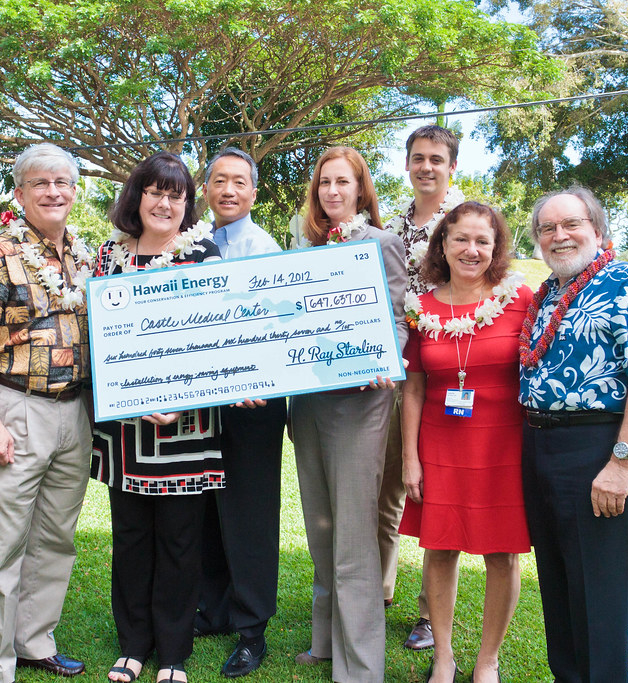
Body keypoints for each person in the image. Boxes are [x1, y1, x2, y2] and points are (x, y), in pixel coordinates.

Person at [520, 187, 628, 683]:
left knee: (599, 592)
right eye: (548, 229)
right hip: (541, 446)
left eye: (571, 225)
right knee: (561, 584)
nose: (559, 236)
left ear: (598, 229)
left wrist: (623, 460)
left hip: (600, 448)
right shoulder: (550, 292)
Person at [0, 142, 91, 683]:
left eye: (62, 182)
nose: (53, 192)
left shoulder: (84, 254)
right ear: (19, 193)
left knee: (55, 538)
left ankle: (36, 642)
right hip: (13, 406)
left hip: (73, 412)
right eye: (40, 183)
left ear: (75, 191)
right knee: (2, 545)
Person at [90, 151, 223, 683]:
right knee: (132, 537)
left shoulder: (204, 256)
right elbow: (95, 340)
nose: (165, 203)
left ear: (188, 205)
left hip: (187, 427)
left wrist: (181, 400)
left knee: (180, 539)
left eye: (177, 195)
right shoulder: (108, 258)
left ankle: (172, 652)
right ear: (137, 196)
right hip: (125, 426)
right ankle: (133, 644)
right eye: (155, 192)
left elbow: (217, 341)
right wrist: (136, 396)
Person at [398, 202, 532, 683]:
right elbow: (413, 387)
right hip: (439, 443)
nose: (471, 250)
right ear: (443, 244)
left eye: (483, 241)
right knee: (440, 549)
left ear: (496, 249)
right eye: (461, 239)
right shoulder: (423, 308)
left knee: (503, 553)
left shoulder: (521, 299)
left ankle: (487, 662)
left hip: (503, 447)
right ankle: (444, 658)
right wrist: (410, 460)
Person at [289, 146, 407, 683]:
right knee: (321, 525)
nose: (332, 192)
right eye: (324, 183)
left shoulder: (382, 242)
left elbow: (399, 318)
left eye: (343, 182)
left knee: (355, 535)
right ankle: (323, 641)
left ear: (361, 190)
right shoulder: (302, 249)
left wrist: (386, 356)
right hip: (309, 403)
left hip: (362, 403)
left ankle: (359, 667)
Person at [194, 147, 287, 678]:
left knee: (249, 510)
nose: (228, 190)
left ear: (253, 193)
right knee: (208, 504)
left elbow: (275, 323)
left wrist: (255, 376)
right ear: (206, 189)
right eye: (219, 181)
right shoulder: (196, 244)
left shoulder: (263, 247)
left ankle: (253, 628)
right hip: (208, 397)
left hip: (255, 398)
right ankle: (216, 609)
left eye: (239, 183)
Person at [382, 124, 464, 651]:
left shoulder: (467, 223)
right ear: (407, 165)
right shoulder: (389, 229)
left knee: (438, 496)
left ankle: (429, 615)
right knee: (387, 488)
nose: (426, 167)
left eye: (437, 159)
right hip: (393, 375)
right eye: (418, 158)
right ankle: (377, 589)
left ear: (452, 167)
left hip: (449, 374)